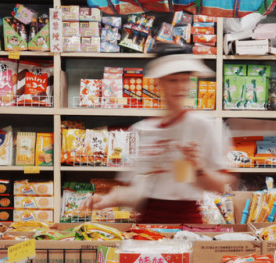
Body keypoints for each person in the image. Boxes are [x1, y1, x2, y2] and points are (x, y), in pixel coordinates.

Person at [84, 53, 235, 223]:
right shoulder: (142, 130)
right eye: (172, 80)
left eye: (185, 80)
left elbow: (224, 185)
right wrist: (107, 200)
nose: (180, 87)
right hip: (148, 224)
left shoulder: (205, 126)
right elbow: (136, 190)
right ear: (159, 83)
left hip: (187, 222)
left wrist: (199, 169)